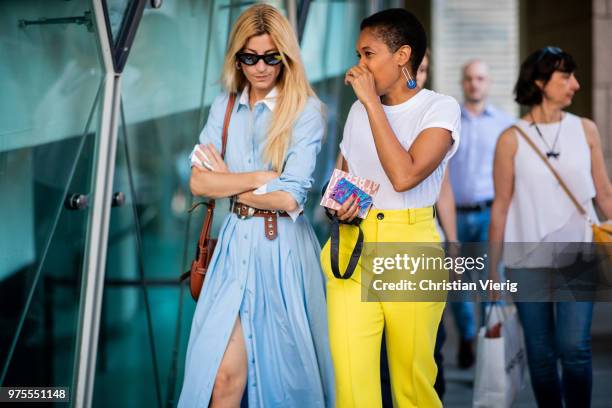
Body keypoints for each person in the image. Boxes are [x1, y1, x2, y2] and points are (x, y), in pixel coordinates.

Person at [178, 5, 334, 407]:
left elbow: (289, 197)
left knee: (285, 381)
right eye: (250, 57)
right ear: (237, 59)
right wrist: (260, 177)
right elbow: (198, 182)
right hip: (233, 249)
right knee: (222, 379)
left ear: (286, 57)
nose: (261, 67)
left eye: (271, 57)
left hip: (282, 251)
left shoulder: (306, 111)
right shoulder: (223, 107)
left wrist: (227, 181)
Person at [320, 9, 461, 407]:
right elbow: (341, 185)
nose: (358, 66)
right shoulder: (356, 112)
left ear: (402, 56)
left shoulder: (439, 108)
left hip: (410, 247)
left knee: (412, 388)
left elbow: (405, 175)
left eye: (368, 54)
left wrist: (371, 104)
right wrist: (338, 208)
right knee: (350, 389)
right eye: (358, 55)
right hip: (351, 248)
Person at [489, 46, 612, 408]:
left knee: (574, 348)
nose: (575, 84)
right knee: (540, 355)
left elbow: (604, 193)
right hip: (526, 261)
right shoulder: (510, 138)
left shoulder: (585, 130)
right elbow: (500, 207)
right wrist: (493, 272)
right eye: (565, 76)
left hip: (578, 256)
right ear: (541, 82)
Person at [447, 60, 514, 368]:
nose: (475, 84)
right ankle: (469, 337)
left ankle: (494, 341)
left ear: (488, 82)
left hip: (490, 214)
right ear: (463, 82)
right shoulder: (449, 122)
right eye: (470, 79)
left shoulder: (504, 124)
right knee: (456, 281)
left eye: (480, 78)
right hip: (455, 216)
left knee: (492, 280)